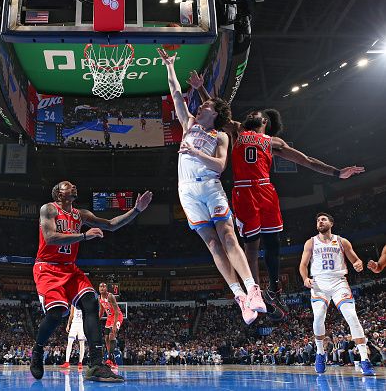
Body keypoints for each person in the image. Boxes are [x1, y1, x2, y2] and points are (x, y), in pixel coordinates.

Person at [189, 71, 365, 321]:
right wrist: (200, 89)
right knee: (251, 244)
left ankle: (274, 288)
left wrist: (337, 172)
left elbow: (307, 160)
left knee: (273, 242)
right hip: (244, 190)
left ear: (264, 123)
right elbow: (217, 112)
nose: (252, 114)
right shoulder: (237, 129)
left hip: (266, 190)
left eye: (256, 115)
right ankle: (254, 291)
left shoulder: (274, 142)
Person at [158, 47, 266, 324]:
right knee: (213, 246)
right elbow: (174, 94)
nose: (199, 104)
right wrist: (169, 66)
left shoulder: (220, 136)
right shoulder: (189, 124)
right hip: (187, 191)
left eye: (205, 104)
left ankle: (252, 289)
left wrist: (195, 153)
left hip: (210, 186)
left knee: (228, 236)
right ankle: (239, 297)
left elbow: (219, 166)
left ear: (214, 112)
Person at [30, 180, 152, 382]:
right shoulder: (49, 209)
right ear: (58, 194)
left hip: (70, 268)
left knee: (91, 302)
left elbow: (112, 225)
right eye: (67, 185)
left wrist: (137, 210)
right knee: (56, 314)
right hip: (48, 268)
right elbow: (50, 237)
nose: (73, 186)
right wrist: (84, 236)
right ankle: (37, 351)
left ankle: (96, 364)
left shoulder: (81, 214)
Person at [299, 212, 375, 376]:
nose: (320, 222)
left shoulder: (342, 241)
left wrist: (358, 264)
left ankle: (364, 359)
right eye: (318, 220)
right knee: (318, 316)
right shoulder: (311, 242)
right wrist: (305, 278)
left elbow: (355, 260)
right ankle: (320, 353)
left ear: (331, 223)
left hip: (339, 282)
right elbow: (303, 264)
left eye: (323, 219)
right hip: (319, 283)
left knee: (352, 317)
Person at [98, 283, 122, 368]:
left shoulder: (110, 296)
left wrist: (114, 325)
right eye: (100, 286)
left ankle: (110, 359)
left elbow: (116, 311)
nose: (102, 288)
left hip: (117, 316)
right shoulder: (99, 298)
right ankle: (113, 360)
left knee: (112, 335)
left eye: (103, 286)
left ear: (106, 288)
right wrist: (97, 319)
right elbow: (101, 310)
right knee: (106, 338)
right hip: (109, 318)